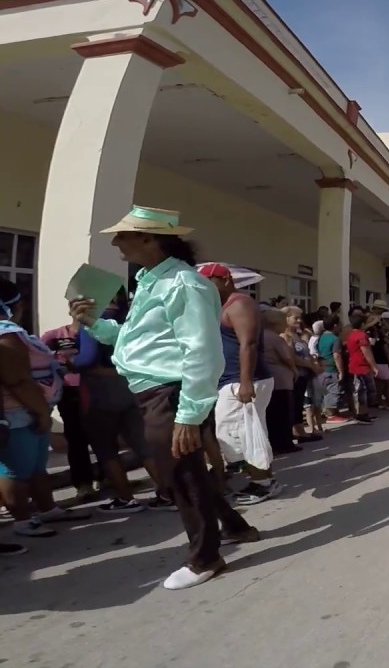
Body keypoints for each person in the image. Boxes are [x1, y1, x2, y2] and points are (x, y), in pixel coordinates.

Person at [71, 206, 258, 589]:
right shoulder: (152, 280)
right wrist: (94, 323)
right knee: (184, 471)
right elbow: (137, 338)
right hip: (151, 392)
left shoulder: (183, 284)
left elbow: (201, 351)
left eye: (123, 235)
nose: (115, 242)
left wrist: (189, 414)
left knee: (179, 475)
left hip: (170, 393)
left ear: (149, 239)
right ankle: (234, 525)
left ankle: (206, 557)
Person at [1, 279, 78, 551]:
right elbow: (18, 380)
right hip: (19, 413)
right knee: (16, 470)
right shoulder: (5, 335)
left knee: (34, 467)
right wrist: (40, 413)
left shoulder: (12, 333)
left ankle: (47, 509)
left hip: (30, 410)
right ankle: (22, 520)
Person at [78, 290, 168, 513]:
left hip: (101, 391)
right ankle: (168, 493)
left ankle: (126, 499)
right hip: (130, 386)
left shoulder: (92, 322)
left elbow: (86, 359)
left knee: (105, 449)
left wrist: (68, 361)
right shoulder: (131, 318)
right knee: (143, 446)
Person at [198, 263, 280, 505]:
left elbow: (249, 344)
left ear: (224, 280)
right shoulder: (218, 307)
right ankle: (258, 477)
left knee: (243, 433)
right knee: (238, 433)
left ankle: (263, 483)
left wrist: (245, 382)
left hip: (244, 380)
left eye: (208, 282)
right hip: (230, 379)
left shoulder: (240, 304)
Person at [39, 322, 95, 501]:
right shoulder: (54, 336)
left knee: (102, 437)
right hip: (69, 392)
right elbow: (39, 358)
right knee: (76, 438)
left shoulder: (95, 332)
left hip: (95, 389)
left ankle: (106, 477)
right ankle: (83, 484)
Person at [260, 308, 300, 454]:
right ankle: (284, 443)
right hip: (281, 379)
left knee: (271, 415)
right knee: (283, 414)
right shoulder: (276, 338)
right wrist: (294, 370)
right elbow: (287, 357)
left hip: (266, 378)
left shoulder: (259, 336)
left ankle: (274, 443)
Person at [285, 306, 322, 442]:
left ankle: (300, 430)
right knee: (295, 404)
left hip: (304, 375)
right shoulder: (286, 336)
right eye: (295, 318)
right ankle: (298, 431)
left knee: (299, 403)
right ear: (286, 318)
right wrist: (309, 364)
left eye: (300, 318)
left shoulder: (298, 335)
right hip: (296, 375)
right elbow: (291, 357)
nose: (299, 320)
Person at [345, 314, 377, 423]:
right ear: (363, 323)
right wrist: (374, 366)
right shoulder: (361, 336)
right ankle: (361, 414)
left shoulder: (351, 335)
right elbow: (366, 352)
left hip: (354, 365)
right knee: (362, 391)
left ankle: (364, 413)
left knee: (360, 390)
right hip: (361, 367)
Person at [314, 315, 344, 421]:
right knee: (333, 391)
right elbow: (336, 355)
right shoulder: (335, 339)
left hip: (322, 368)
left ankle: (328, 412)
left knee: (324, 392)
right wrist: (341, 371)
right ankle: (330, 414)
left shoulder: (320, 337)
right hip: (331, 368)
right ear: (335, 325)